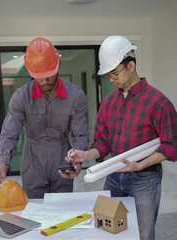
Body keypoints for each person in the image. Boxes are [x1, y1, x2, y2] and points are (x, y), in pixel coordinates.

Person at [61, 35, 177, 240]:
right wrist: (85, 154)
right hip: (114, 175)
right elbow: (103, 143)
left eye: (114, 73)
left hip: (145, 179)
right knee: (111, 231)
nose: (112, 79)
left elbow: (171, 145)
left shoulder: (158, 102)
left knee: (143, 233)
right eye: (108, 75)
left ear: (131, 65)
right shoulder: (108, 103)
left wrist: (140, 165)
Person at [0, 37, 89, 199]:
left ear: (58, 65)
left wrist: (78, 161)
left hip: (62, 156)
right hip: (32, 160)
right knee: (34, 212)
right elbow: (9, 134)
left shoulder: (76, 96)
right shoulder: (21, 97)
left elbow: (80, 135)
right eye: (39, 76)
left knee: (62, 209)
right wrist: (2, 170)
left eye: (49, 74)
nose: (45, 80)